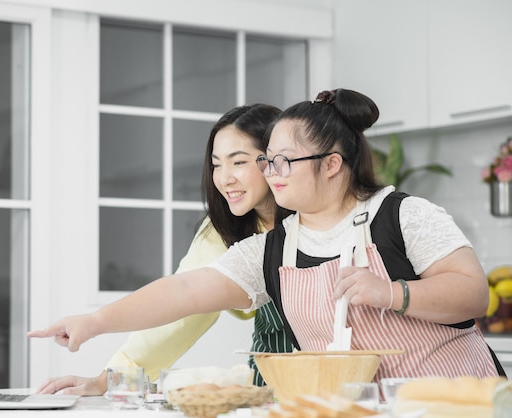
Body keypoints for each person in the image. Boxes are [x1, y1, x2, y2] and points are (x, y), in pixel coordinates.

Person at [29, 89, 499, 382]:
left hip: (456, 402)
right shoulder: (274, 247)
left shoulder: (405, 215)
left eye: (280, 162)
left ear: (331, 164)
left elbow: (473, 293)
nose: (269, 174)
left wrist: (391, 292)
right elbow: (187, 288)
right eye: (267, 161)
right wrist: (95, 322)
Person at [34, 104, 294, 395]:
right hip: (269, 390)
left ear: (277, 160)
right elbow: (181, 306)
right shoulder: (222, 229)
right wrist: (107, 380)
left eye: (238, 162)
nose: (224, 178)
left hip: (341, 386)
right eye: (216, 164)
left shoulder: (317, 222)